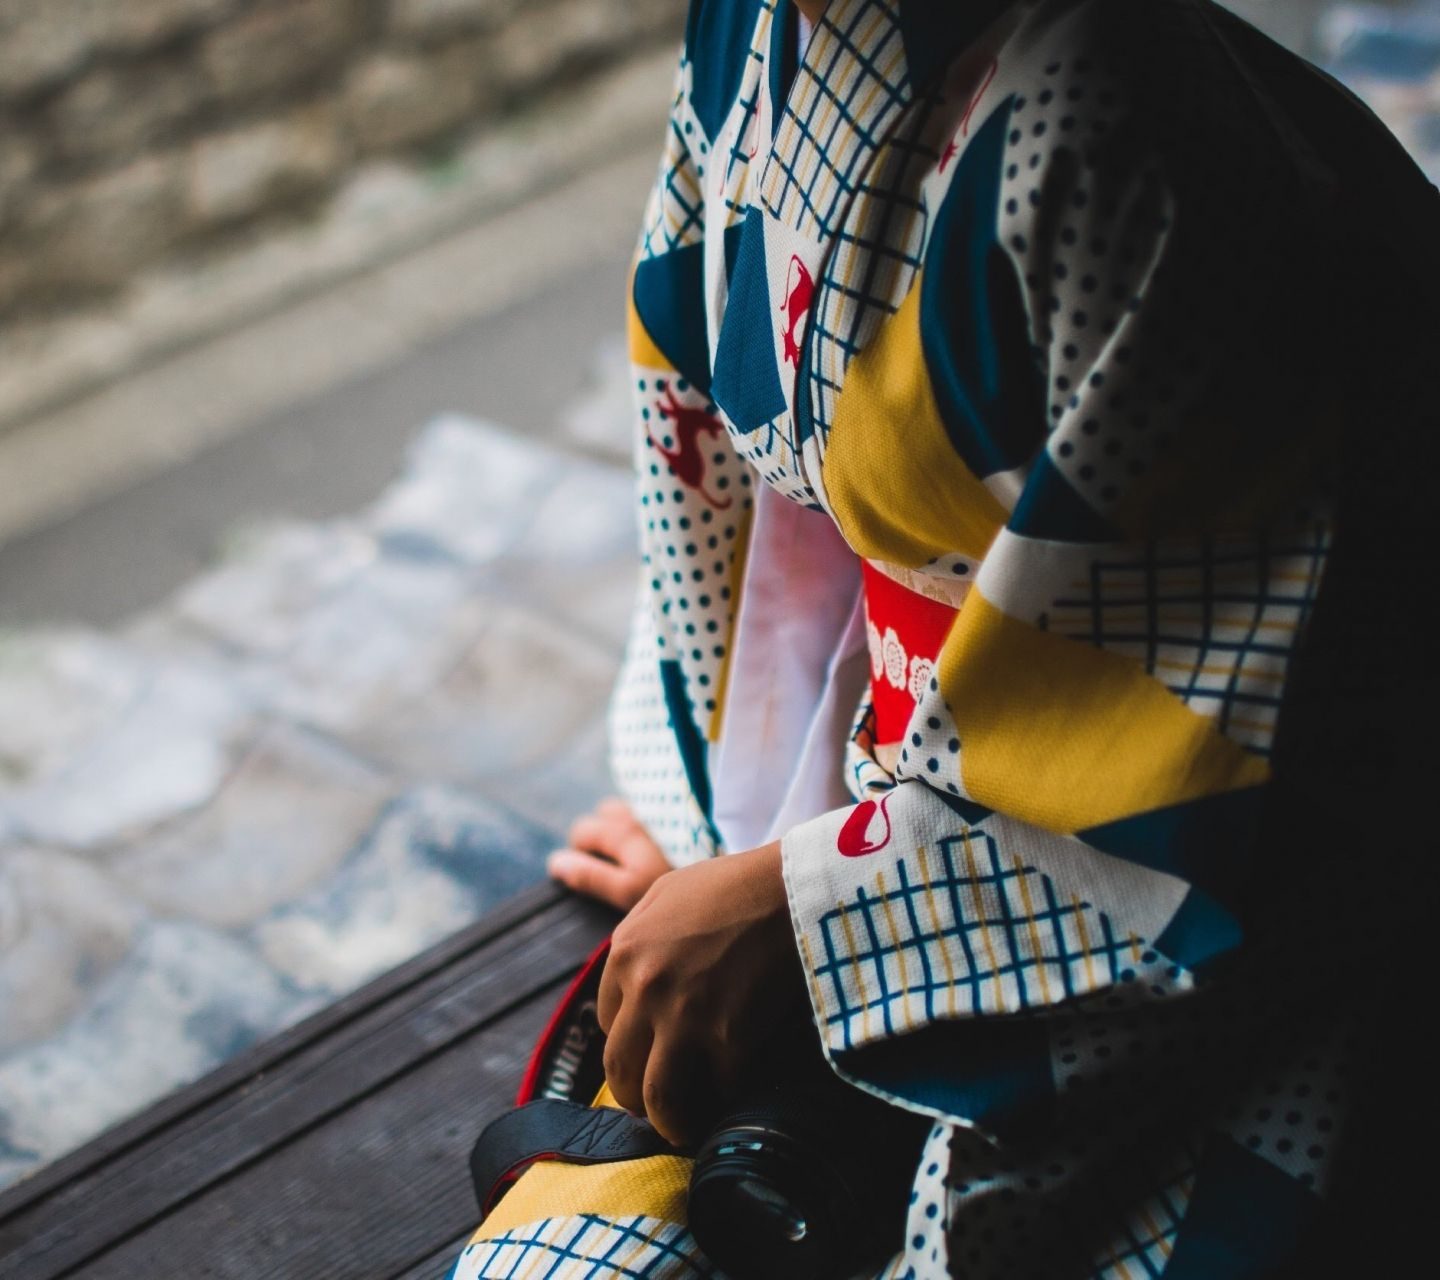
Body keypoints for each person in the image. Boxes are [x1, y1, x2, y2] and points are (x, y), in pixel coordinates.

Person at [455, 0, 1438, 1274]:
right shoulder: (753, 34)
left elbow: (1197, 790)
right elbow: (751, 524)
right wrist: (736, 820)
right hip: (906, 819)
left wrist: (804, 912)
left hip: (1247, 942)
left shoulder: (1120, 130)